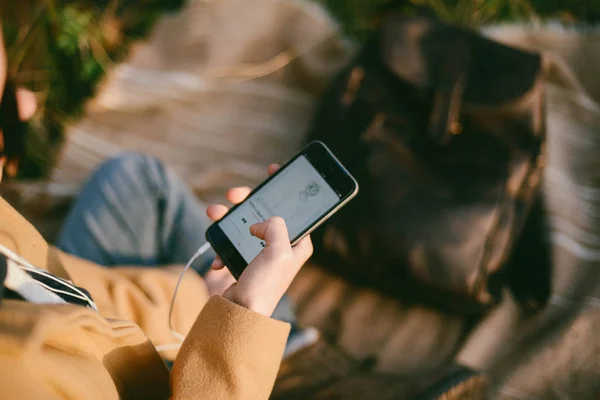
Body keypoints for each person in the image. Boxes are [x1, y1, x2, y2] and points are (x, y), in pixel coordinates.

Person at [0, 23, 313, 399]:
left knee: (136, 180)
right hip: (161, 367)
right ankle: (288, 350)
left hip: (107, 310)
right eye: (4, 110)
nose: (27, 103)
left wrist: (191, 294)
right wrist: (241, 314)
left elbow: (65, 291)